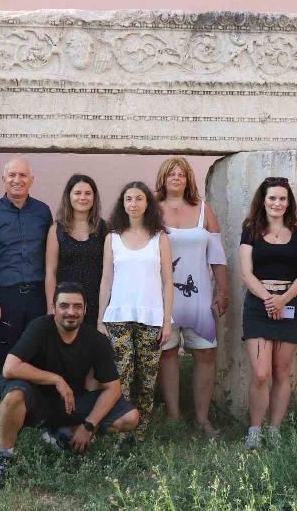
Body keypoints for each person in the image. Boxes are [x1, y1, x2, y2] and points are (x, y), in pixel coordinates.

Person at [0, 282, 139, 489]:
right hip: (34, 398)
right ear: (54, 307)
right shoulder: (40, 327)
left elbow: (113, 388)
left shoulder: (95, 339)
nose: (71, 312)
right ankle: (4, 458)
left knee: (130, 417)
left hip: (69, 403)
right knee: (14, 394)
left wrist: (88, 426)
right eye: (64, 306)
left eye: (77, 306)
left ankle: (62, 433)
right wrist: (56, 379)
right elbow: (10, 368)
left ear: (85, 309)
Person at [154, 157, 228, 438]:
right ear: (162, 178)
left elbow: (217, 256)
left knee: (206, 352)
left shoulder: (203, 211)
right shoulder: (152, 211)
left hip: (199, 294)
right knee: (168, 352)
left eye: (181, 174)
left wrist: (223, 291)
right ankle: (173, 415)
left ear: (188, 179)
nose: (176, 178)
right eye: (171, 173)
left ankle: (202, 417)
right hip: (163, 296)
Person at [239, 176, 297, 449]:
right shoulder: (251, 230)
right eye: (272, 198)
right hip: (259, 304)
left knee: (281, 372)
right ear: (263, 200)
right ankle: (255, 430)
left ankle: (275, 430)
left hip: (290, 303)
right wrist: (270, 299)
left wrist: (283, 300)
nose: (277, 203)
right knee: (261, 373)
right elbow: (246, 272)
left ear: (288, 201)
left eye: (282, 198)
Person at [98, 181, 173, 437]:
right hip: (118, 316)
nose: (133, 203)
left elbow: (167, 282)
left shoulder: (160, 237)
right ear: (123, 204)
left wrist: (166, 322)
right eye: (128, 199)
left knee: (147, 377)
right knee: (122, 376)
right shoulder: (112, 238)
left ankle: (141, 431)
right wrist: (100, 319)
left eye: (139, 198)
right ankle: (122, 429)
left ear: (147, 203)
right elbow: (106, 280)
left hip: (151, 317)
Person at [0, 157, 52, 375]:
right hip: (5, 298)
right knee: (8, 356)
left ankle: (36, 407)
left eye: (23, 175)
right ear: (3, 179)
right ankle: (7, 405)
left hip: (38, 296)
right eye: (12, 175)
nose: (17, 180)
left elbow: (50, 255)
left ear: (32, 180)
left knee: (39, 354)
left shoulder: (43, 212)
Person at [45, 174, 107, 326]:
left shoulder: (104, 228)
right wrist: (51, 306)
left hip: (95, 302)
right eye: (77, 193)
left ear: (94, 197)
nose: (82, 198)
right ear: (69, 196)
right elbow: (50, 272)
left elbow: (108, 272)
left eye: (88, 193)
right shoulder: (56, 229)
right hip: (66, 304)